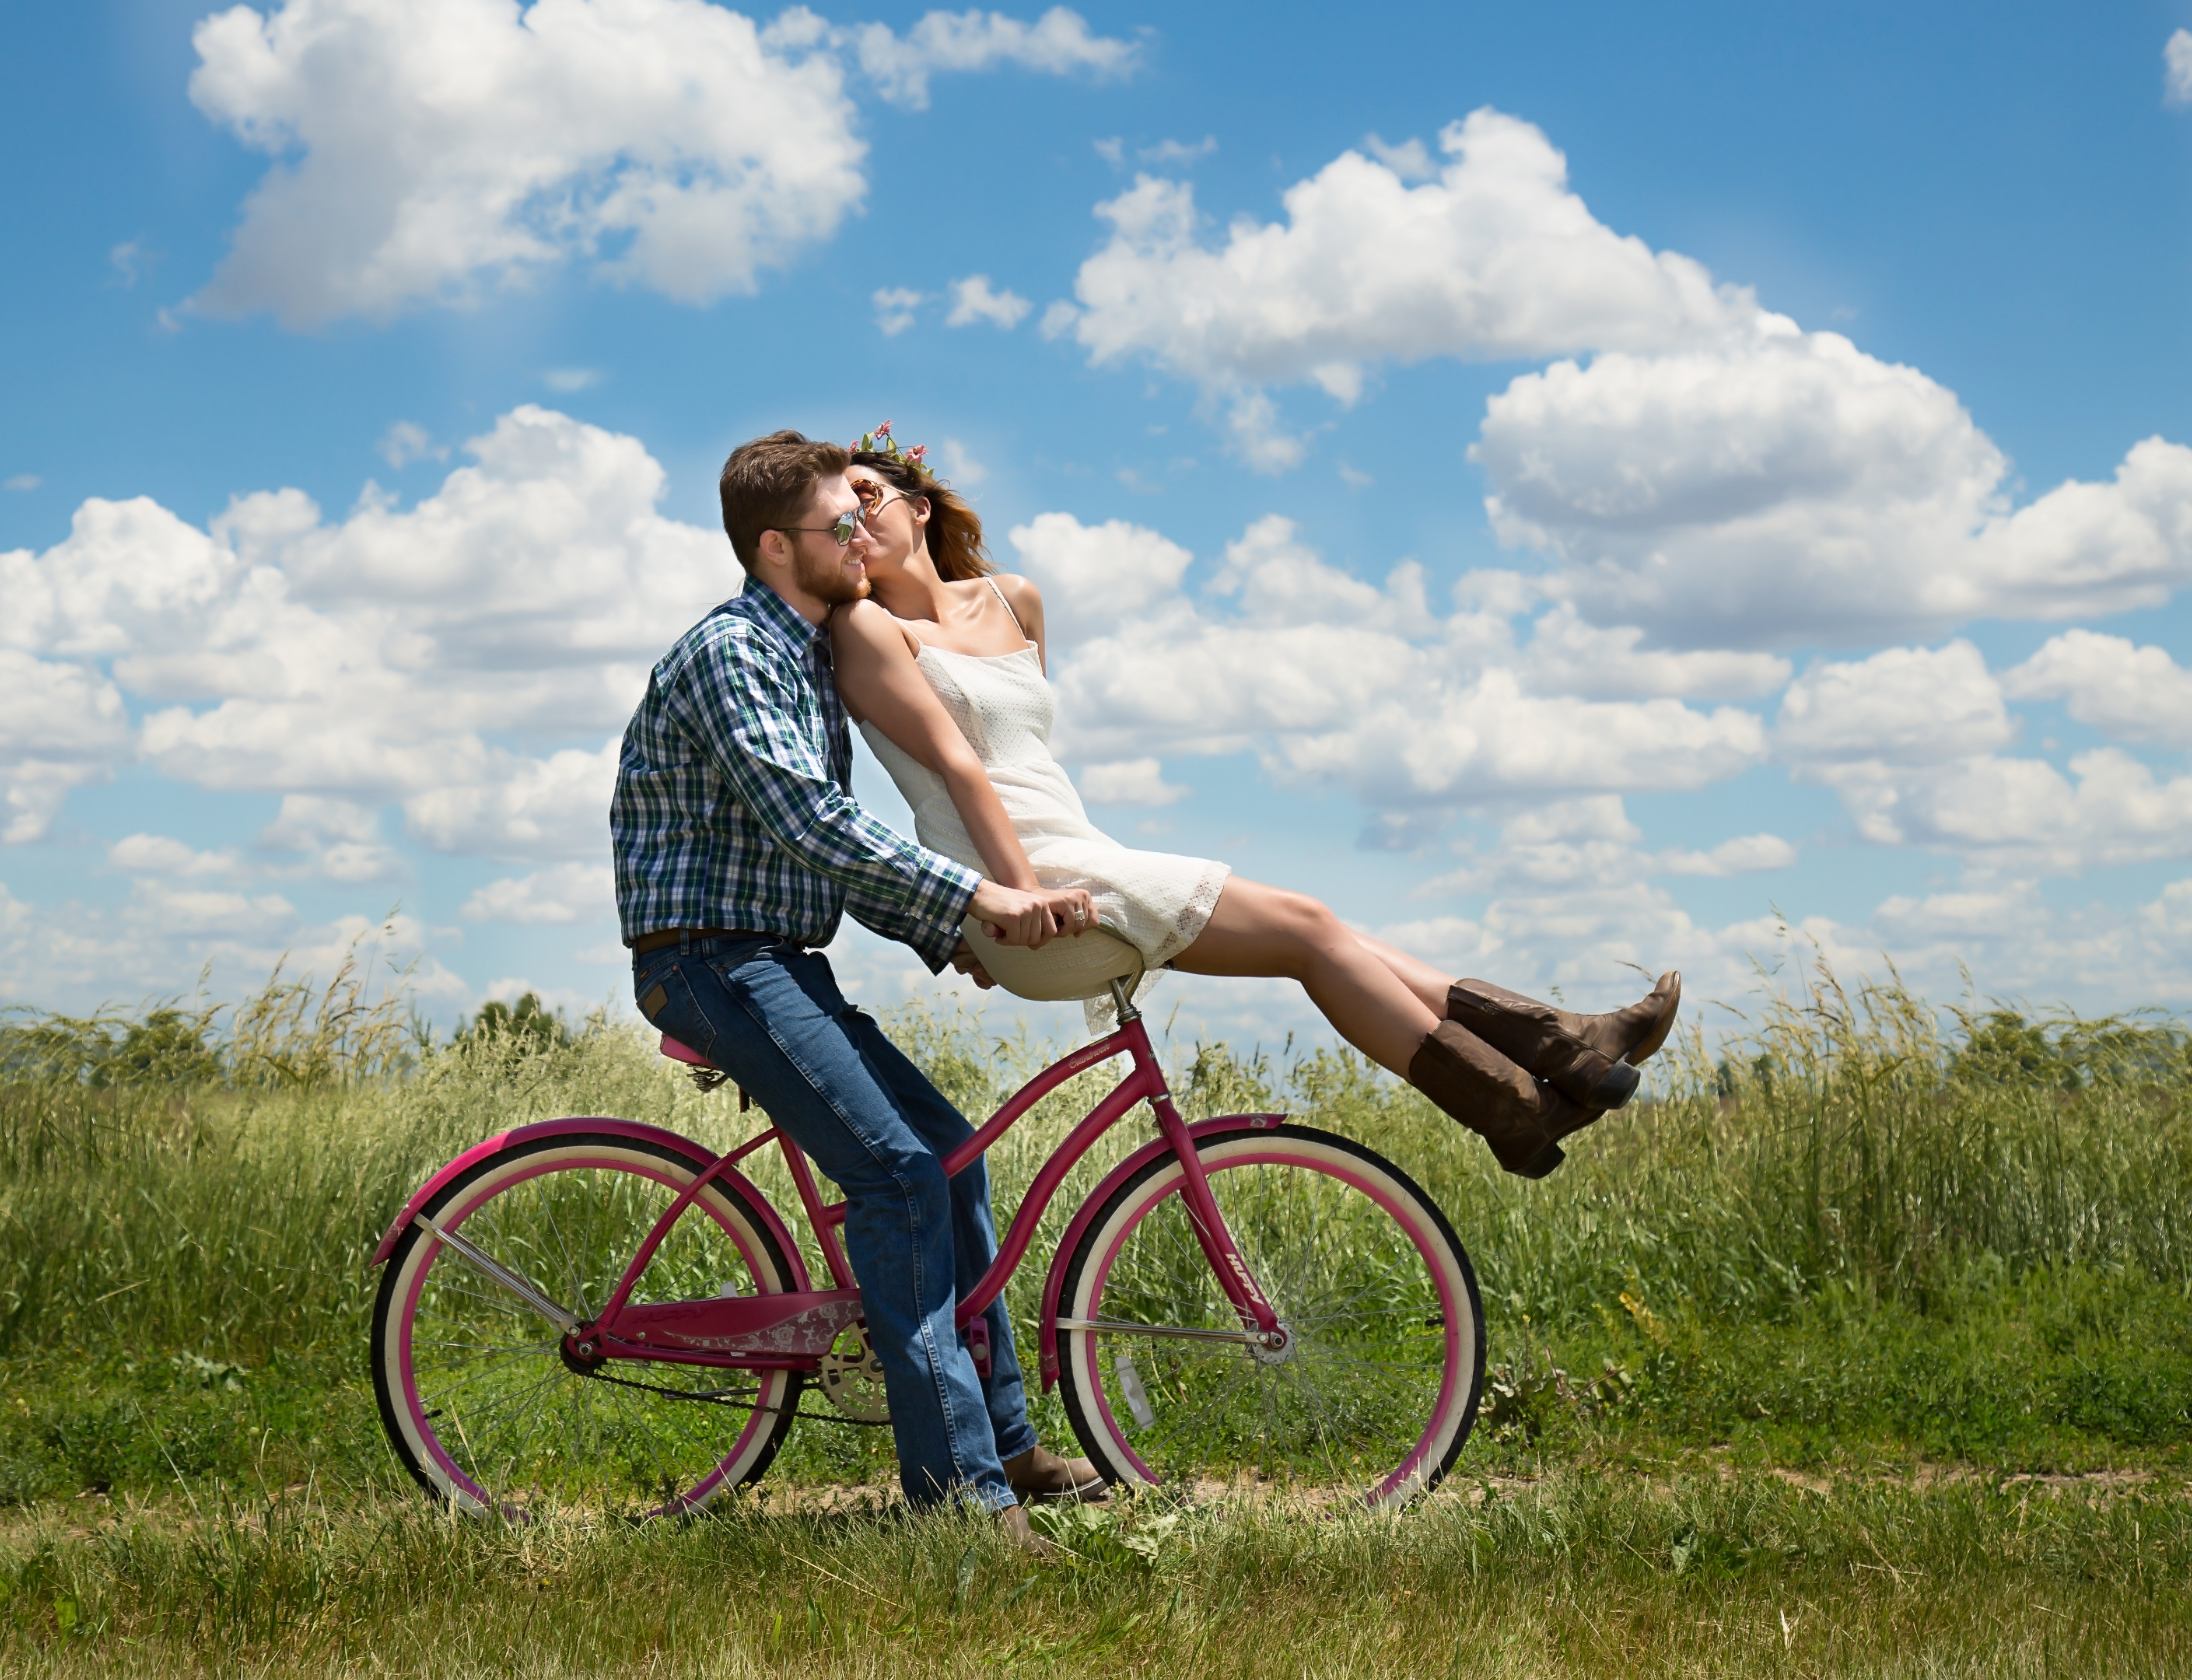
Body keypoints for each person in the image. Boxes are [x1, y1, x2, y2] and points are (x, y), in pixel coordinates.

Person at [828, 424, 1681, 1179]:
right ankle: (1527, 1093)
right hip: (1024, 885)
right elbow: (960, 773)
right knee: (1311, 931)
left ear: (920, 505)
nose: (856, 522)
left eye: (867, 497)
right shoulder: (869, 631)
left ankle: (1557, 1062)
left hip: (1072, 855)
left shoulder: (1015, 600)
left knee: (1326, 933)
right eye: (837, 517)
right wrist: (999, 900)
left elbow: (1027, 764)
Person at [611, 430, 1109, 1549]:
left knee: (951, 1157)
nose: (863, 538)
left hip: (778, 957)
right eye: (845, 523)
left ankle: (1009, 1446)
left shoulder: (805, 656)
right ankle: (959, 1501)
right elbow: (813, 824)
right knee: (897, 1179)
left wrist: (950, 932)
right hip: (710, 960)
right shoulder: (736, 654)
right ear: (780, 545)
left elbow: (819, 857)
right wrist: (980, 899)